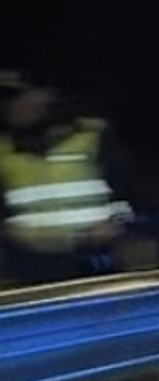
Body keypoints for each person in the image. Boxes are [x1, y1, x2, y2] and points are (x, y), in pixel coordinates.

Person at [0, 71, 137, 288]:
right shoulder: (3, 149)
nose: (8, 106)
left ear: (46, 95)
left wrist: (117, 223)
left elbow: (126, 187)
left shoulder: (91, 136)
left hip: (95, 257)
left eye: (15, 97)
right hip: (32, 264)